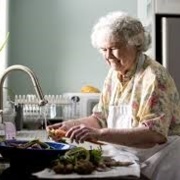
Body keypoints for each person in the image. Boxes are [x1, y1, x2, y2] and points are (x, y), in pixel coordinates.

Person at [47, 11, 180, 180]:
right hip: (131, 160)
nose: (108, 56)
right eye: (103, 49)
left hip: (161, 163)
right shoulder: (114, 75)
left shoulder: (154, 77)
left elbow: (153, 134)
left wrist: (99, 134)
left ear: (136, 44)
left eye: (114, 48)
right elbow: (101, 118)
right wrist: (67, 126)